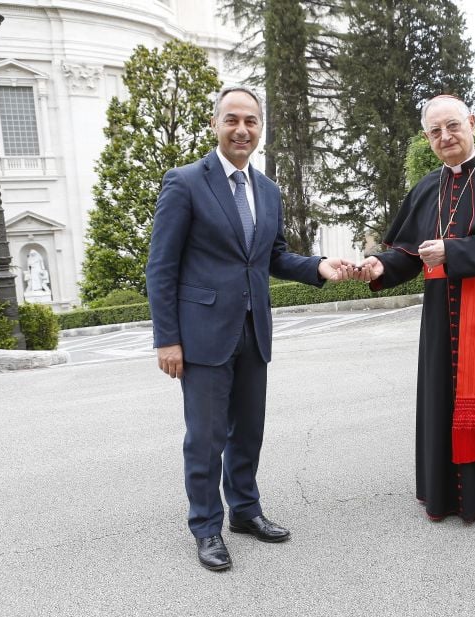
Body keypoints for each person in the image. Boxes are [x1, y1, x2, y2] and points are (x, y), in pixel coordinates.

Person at [145, 85, 351, 571]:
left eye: (251, 121)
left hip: (254, 329)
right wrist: (167, 339)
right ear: (215, 124)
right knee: (206, 438)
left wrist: (317, 267)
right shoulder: (185, 182)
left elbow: (272, 255)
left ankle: (244, 510)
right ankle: (206, 527)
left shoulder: (268, 190)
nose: (242, 129)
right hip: (202, 335)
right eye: (232, 120)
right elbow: (161, 267)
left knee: (248, 432)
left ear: (261, 128)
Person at [352, 95, 475, 522]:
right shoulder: (427, 187)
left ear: (472, 123)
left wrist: (452, 251)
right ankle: (450, 495)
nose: (445, 137)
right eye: (435, 131)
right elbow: (408, 255)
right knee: (444, 396)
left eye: (453, 126)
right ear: (427, 138)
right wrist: (379, 266)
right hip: (443, 314)